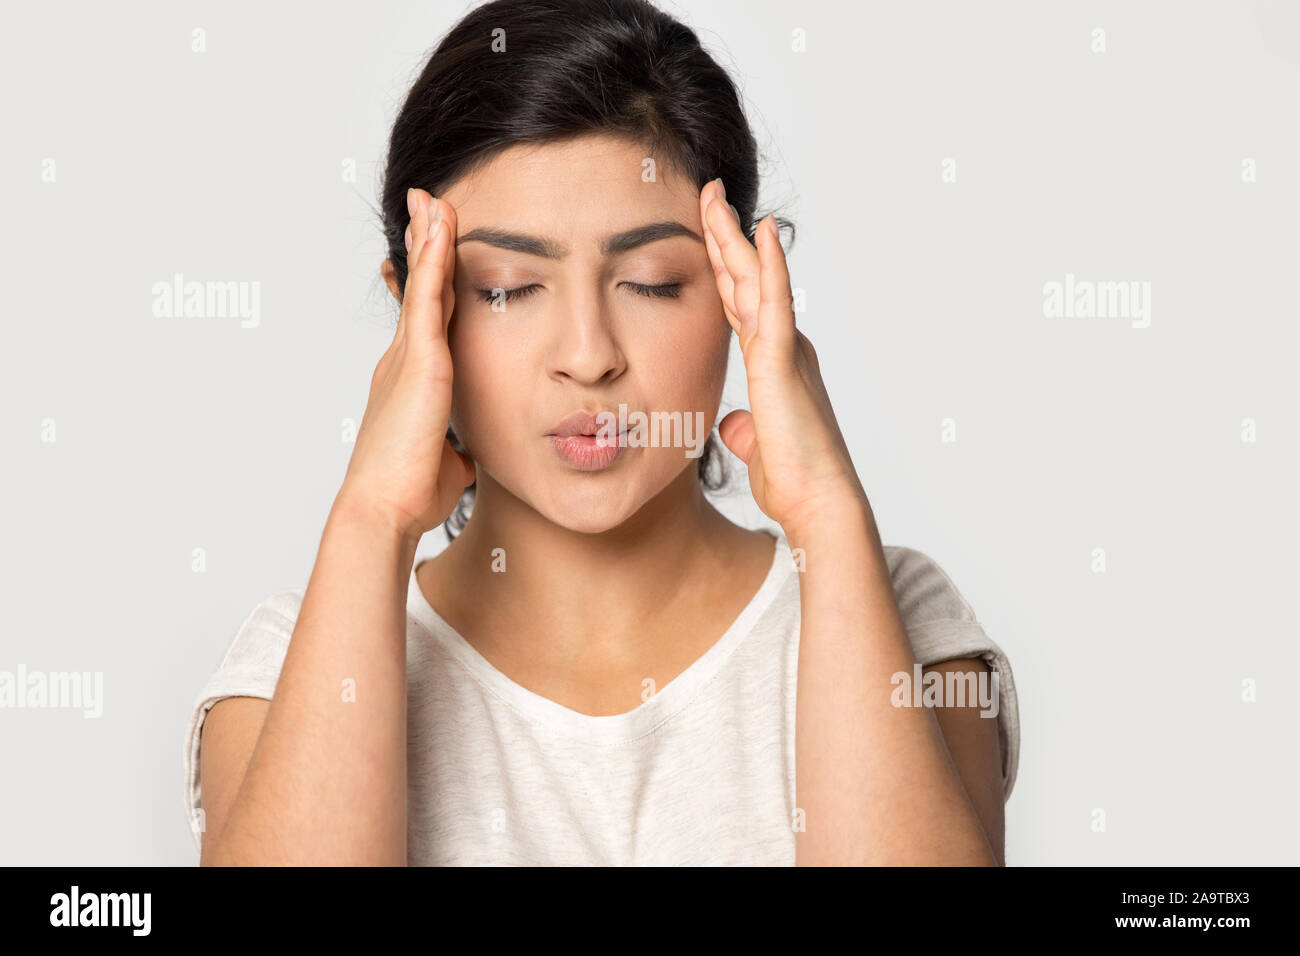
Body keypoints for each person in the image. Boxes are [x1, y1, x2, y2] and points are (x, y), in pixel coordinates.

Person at [183, 0, 1020, 866]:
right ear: (415, 309)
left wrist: (829, 519)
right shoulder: (294, 667)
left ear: (745, 293)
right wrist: (370, 518)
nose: (588, 357)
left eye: (654, 282)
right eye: (508, 286)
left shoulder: (904, 628)